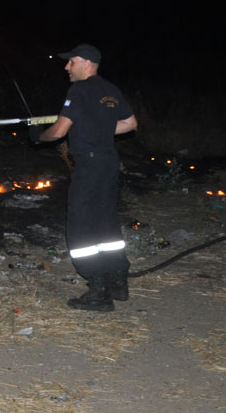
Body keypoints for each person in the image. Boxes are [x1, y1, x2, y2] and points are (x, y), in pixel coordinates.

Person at [32, 43, 138, 312]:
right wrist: (99, 130)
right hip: (108, 163)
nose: (67, 67)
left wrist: (39, 136)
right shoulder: (110, 89)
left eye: (72, 62)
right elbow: (129, 124)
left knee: (81, 226)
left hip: (89, 166)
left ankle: (98, 290)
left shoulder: (79, 90)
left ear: (87, 64)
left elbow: (58, 132)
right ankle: (118, 282)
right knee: (106, 222)